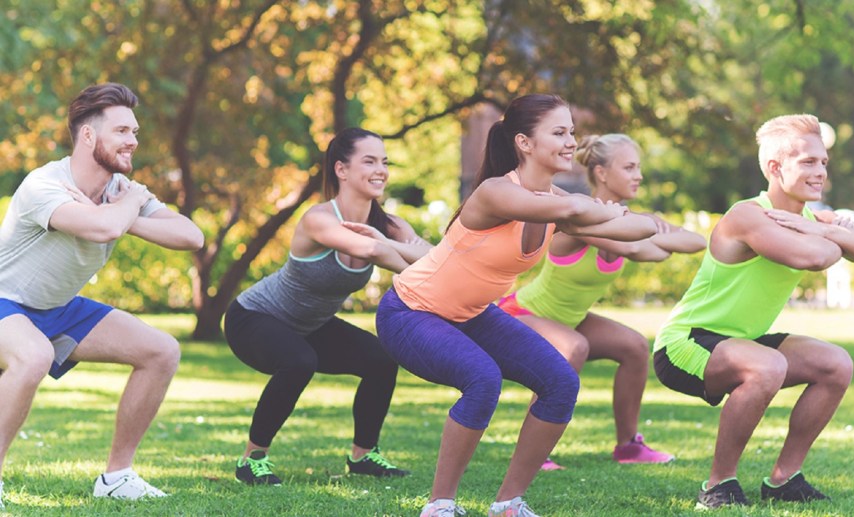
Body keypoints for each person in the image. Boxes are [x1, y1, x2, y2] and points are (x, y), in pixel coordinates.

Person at [375, 94, 660, 517]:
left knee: (560, 382)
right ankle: (439, 505)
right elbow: (574, 208)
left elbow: (640, 229)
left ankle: (508, 503)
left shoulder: (554, 202)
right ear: (524, 143)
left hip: (472, 314)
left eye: (571, 132)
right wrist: (601, 210)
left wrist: (615, 214)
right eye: (559, 132)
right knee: (482, 378)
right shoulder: (496, 192)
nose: (571, 142)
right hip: (411, 311)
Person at [652, 114, 854, 509]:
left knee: (835, 364)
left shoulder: (811, 220)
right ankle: (718, 486)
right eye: (808, 162)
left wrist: (825, 228)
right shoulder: (748, 215)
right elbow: (814, 258)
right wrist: (831, 232)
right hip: (685, 343)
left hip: (744, 342)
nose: (820, 172)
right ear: (775, 167)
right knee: (768, 366)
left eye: (823, 162)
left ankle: (784, 480)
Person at [0, 83, 204, 507]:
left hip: (58, 307)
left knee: (161, 351)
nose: (133, 141)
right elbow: (102, 228)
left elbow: (191, 236)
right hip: (6, 299)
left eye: (135, 132)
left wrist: (126, 214)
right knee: (34, 356)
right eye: (122, 131)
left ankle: (117, 477)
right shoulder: (45, 184)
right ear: (89, 135)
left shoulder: (122, 193)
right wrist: (120, 212)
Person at [223, 127, 432, 486]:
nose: (381, 170)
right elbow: (371, 250)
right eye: (369, 161)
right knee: (299, 360)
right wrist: (411, 263)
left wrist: (406, 253)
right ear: (341, 169)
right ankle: (252, 459)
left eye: (384, 162)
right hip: (254, 318)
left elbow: (434, 257)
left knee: (381, 360)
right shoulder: (318, 219)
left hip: (310, 324)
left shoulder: (389, 226)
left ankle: (363, 456)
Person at [498, 134, 706, 470]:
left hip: (570, 320)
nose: (638, 175)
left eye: (638, 167)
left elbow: (695, 241)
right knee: (573, 347)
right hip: (521, 314)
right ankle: (534, 451)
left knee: (635, 347)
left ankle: (628, 446)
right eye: (629, 167)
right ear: (602, 173)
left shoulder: (631, 219)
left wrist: (649, 233)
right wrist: (655, 235)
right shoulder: (579, 218)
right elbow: (637, 249)